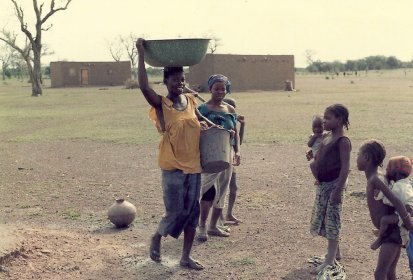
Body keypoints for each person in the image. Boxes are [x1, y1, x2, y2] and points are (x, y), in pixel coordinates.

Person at [136, 38, 215, 270]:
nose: (179, 83)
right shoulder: (161, 104)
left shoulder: (191, 101)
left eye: (182, 79)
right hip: (172, 167)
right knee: (174, 212)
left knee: (192, 213)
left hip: (194, 166)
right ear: (166, 82)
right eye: (174, 80)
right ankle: (157, 236)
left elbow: (199, 123)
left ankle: (186, 257)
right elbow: (143, 86)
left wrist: (210, 127)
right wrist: (141, 53)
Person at [356, 140, 413, 279]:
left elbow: (397, 201)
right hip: (392, 232)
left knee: (380, 272)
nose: (356, 158)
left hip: (392, 234)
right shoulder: (378, 177)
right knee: (389, 272)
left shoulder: (376, 179)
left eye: (358, 154)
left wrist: (409, 223)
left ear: (367, 157)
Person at [196, 74, 241, 242]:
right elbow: (195, 130)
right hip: (208, 155)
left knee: (222, 190)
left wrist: (237, 151)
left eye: (223, 88)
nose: (220, 91)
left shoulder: (230, 110)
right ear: (210, 89)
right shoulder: (202, 110)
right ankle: (202, 226)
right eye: (217, 88)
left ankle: (213, 226)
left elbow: (234, 133)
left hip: (226, 153)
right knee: (208, 190)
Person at [309, 104, 351, 273]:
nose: (324, 121)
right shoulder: (326, 137)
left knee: (333, 221)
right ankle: (335, 252)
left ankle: (330, 261)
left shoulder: (343, 141)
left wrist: (338, 191)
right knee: (327, 220)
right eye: (324, 117)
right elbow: (320, 155)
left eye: (328, 118)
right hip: (324, 186)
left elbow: (345, 167)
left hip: (334, 186)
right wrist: (313, 156)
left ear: (339, 120)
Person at [371, 156, 413, 250]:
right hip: (406, 211)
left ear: (396, 170)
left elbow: (391, 200)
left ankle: (380, 239)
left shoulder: (399, 187)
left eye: (388, 168)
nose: (386, 170)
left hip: (406, 212)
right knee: (402, 228)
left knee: (385, 220)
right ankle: (404, 241)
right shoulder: (405, 183)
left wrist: (379, 195)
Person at [222, 97, 245, 224]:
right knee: (220, 189)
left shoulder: (232, 122)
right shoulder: (220, 121)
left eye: (233, 107)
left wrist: (243, 125)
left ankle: (229, 214)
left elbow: (238, 142)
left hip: (230, 157)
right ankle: (218, 218)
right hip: (221, 158)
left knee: (234, 188)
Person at [306, 115, 325, 186]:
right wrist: (314, 137)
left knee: (313, 165)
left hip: (323, 157)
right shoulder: (312, 136)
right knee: (312, 166)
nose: (317, 129)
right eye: (314, 127)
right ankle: (318, 179)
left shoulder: (325, 135)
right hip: (316, 158)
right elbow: (309, 144)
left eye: (319, 127)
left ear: (324, 127)